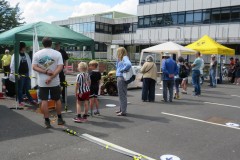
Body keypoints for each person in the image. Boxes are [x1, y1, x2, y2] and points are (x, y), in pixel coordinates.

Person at [32, 37, 65, 128]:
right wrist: (51, 77)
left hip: (42, 82)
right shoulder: (57, 53)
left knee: (44, 100)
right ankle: (60, 119)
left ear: (43, 44)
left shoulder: (37, 54)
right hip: (54, 81)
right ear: (51, 44)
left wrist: (45, 72)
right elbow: (60, 67)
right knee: (57, 99)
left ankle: (47, 121)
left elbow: (34, 67)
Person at [10, 42, 36, 106]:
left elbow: (29, 64)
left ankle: (31, 100)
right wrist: (16, 74)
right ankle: (20, 101)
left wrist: (31, 73)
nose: (25, 48)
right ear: (21, 47)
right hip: (20, 74)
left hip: (27, 73)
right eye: (24, 47)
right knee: (20, 88)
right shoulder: (15, 55)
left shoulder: (26, 54)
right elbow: (12, 65)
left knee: (28, 88)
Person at [115, 47, 131, 116]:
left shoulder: (124, 57)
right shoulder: (122, 58)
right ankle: (122, 109)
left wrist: (122, 70)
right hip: (121, 77)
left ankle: (123, 111)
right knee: (122, 94)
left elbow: (128, 64)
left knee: (122, 95)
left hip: (121, 77)